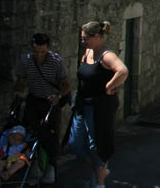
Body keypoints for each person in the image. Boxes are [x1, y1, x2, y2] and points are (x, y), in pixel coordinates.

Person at [69, 21, 129, 188]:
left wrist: (110, 86)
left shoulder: (106, 55)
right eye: (82, 39)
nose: (83, 42)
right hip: (82, 104)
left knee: (96, 144)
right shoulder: (88, 52)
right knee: (75, 144)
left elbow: (123, 71)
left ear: (97, 37)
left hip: (98, 107)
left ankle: (99, 182)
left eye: (85, 39)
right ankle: (100, 168)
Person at [14, 33, 71, 184]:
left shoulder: (56, 61)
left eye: (43, 52)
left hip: (51, 102)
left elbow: (66, 85)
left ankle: (51, 167)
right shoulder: (25, 61)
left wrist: (58, 96)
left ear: (48, 49)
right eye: (36, 52)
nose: (39, 55)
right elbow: (21, 81)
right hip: (34, 100)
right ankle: (33, 167)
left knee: (51, 136)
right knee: (31, 134)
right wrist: (20, 91)